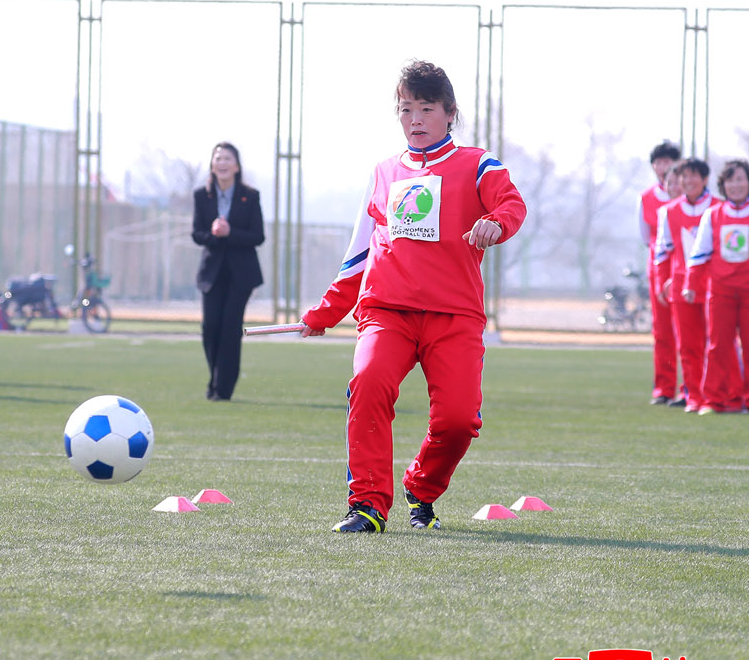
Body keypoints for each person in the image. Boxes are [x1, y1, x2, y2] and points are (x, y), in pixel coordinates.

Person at [300, 60, 525, 533]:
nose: (416, 119)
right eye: (406, 109)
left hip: (455, 315)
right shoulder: (383, 172)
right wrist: (324, 312)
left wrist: (495, 223)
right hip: (387, 311)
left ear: (450, 113)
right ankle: (367, 506)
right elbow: (357, 256)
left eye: (426, 108)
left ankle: (420, 487)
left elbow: (512, 204)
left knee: (460, 421)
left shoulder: (479, 162)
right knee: (367, 384)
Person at [684, 160, 749, 415]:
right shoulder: (713, 215)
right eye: (730, 180)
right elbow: (700, 253)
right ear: (723, 185)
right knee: (718, 348)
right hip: (720, 292)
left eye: (740, 179)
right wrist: (691, 284)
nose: (736, 185)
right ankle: (713, 401)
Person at [191, 142, 265, 401]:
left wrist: (230, 232)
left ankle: (223, 389)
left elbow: (258, 236)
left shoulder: (250, 195)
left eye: (227, 158)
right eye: (218, 158)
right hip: (212, 273)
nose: (222, 163)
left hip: (241, 274)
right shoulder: (202, 195)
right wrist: (212, 232)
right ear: (213, 164)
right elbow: (196, 234)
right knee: (210, 327)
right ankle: (215, 378)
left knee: (230, 327)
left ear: (236, 166)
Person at [654, 158, 715, 412]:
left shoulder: (718, 208)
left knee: (718, 344)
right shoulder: (668, 211)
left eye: (693, 176)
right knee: (688, 346)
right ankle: (695, 397)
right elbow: (662, 251)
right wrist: (662, 282)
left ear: (704, 179)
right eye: (683, 177)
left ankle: (722, 395)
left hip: (713, 285)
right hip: (681, 285)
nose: (688, 182)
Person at [639, 140, 682, 405]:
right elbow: (646, 236)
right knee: (662, 331)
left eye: (668, 161)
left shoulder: (695, 195)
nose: (663, 167)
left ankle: (692, 388)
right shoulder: (646, 198)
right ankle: (664, 388)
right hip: (659, 268)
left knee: (691, 332)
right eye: (659, 162)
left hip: (688, 270)